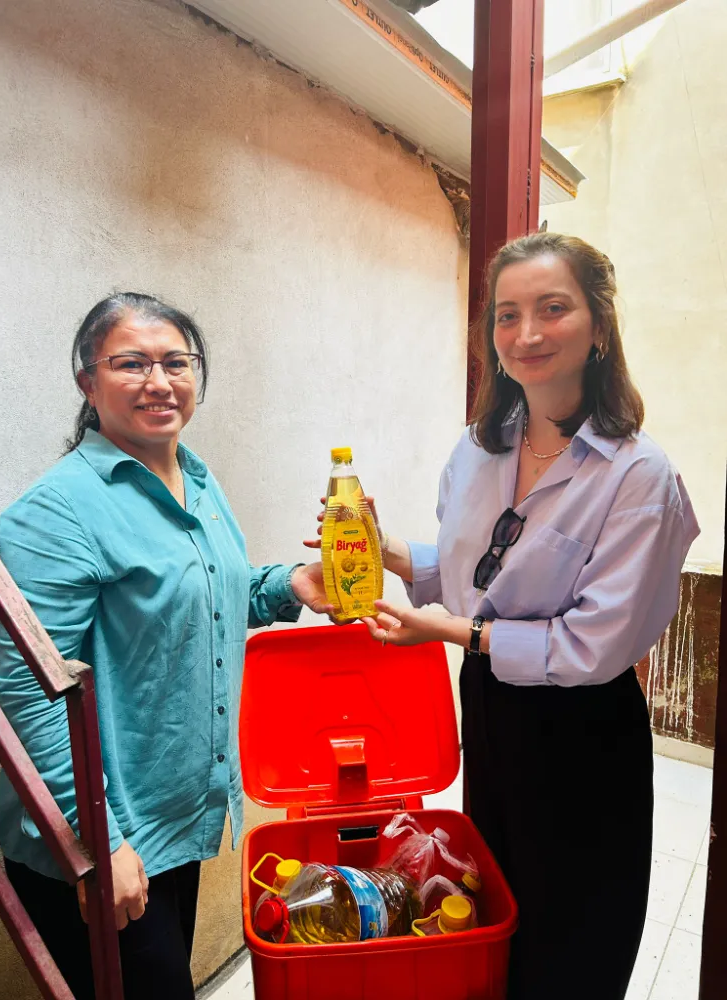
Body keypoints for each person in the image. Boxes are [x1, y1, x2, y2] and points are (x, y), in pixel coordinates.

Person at [329, 234, 699, 999]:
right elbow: (471, 576)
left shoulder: (638, 474)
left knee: (574, 934)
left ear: (599, 327)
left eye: (552, 309)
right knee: (496, 910)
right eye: (507, 315)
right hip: (492, 708)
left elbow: (593, 644)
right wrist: (381, 547)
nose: (527, 333)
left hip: (582, 730)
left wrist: (451, 633)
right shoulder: (479, 448)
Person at [0, 293, 332, 999]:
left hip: (174, 820)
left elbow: (210, 596)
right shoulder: (53, 513)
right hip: (103, 835)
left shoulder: (195, 481)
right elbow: (30, 691)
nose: (159, 381)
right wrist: (100, 842)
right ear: (88, 382)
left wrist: (289, 583)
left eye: (176, 362)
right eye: (131, 364)